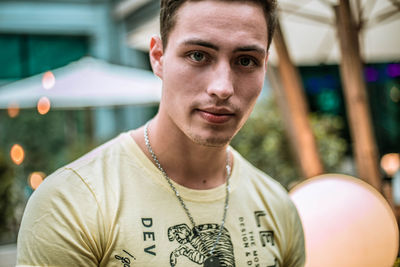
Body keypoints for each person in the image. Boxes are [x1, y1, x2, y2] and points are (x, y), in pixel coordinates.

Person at [17, 0, 305, 266]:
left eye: (245, 61)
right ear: (158, 57)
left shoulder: (277, 206)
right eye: (198, 55)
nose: (222, 88)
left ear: (264, 66)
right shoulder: (70, 204)